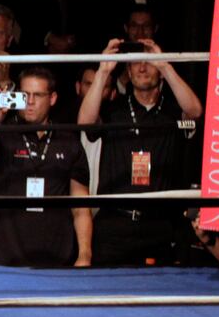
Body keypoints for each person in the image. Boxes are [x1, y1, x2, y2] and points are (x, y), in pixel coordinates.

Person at [79, 39, 204, 265]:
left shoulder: (172, 110)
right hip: (114, 222)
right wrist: (103, 71)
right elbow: (85, 123)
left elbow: (195, 111)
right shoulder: (114, 109)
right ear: (128, 71)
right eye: (136, 62)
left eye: (150, 62)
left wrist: (165, 64)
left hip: (159, 223)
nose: (143, 68)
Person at [0, 67, 92, 268]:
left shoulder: (68, 140)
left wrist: (85, 254)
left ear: (52, 98)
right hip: (1, 259)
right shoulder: (1, 132)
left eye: (37, 95)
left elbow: (81, 206)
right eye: (25, 94)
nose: (30, 101)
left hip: (54, 259)